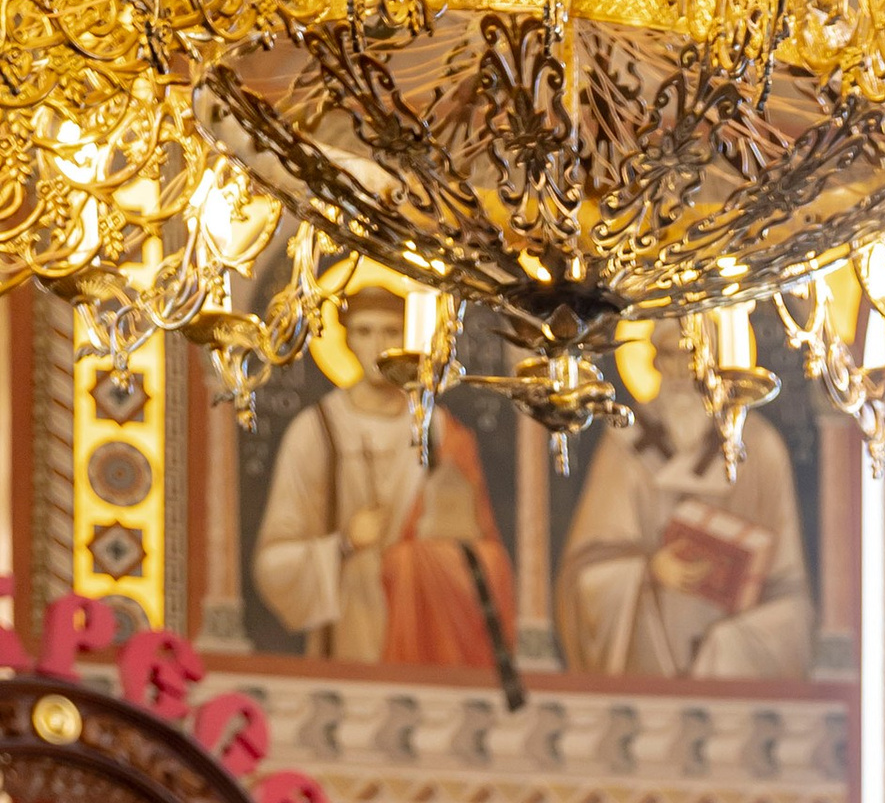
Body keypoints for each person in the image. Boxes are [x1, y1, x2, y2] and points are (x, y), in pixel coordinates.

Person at [252, 277, 516, 671]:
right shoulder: (316, 431)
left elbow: (480, 547)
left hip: (429, 632)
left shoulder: (440, 430)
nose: (378, 346)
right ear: (347, 341)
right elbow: (274, 563)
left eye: (391, 332)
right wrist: (343, 544)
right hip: (351, 629)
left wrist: (424, 556)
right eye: (365, 331)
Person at [557, 315, 815, 676]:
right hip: (647, 650)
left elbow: (787, 587)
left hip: (734, 648)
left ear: (715, 361)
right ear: (653, 361)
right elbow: (585, 575)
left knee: (739, 642)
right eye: (668, 355)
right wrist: (649, 569)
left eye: (691, 355)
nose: (680, 370)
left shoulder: (760, 447)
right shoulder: (623, 444)